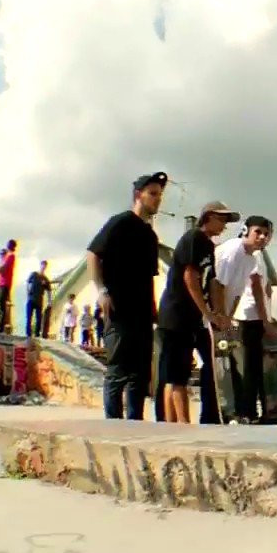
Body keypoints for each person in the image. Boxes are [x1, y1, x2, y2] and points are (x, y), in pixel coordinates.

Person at [86, 171, 165, 420]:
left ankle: (134, 425)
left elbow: (148, 278)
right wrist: (102, 290)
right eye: (152, 193)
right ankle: (113, 425)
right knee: (118, 370)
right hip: (119, 309)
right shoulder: (120, 222)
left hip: (142, 314)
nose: (157, 199)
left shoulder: (150, 236)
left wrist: (153, 312)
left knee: (139, 375)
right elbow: (93, 254)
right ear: (138, 195)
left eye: (160, 195)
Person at [155, 201, 239, 424]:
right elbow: (190, 276)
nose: (223, 225)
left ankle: (178, 421)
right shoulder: (193, 238)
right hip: (176, 314)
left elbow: (211, 281)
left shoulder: (209, 247)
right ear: (208, 217)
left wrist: (219, 314)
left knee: (194, 366)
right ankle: (180, 424)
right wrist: (206, 312)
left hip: (193, 318)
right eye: (221, 219)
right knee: (176, 374)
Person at [212, 215, 277, 423]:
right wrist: (221, 317)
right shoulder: (234, 250)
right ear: (246, 230)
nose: (262, 237)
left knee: (241, 365)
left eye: (266, 234)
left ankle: (245, 412)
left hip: (232, 315)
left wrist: (228, 317)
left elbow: (238, 291)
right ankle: (235, 411)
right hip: (232, 315)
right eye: (258, 232)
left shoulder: (252, 257)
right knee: (232, 366)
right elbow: (218, 285)